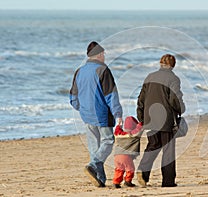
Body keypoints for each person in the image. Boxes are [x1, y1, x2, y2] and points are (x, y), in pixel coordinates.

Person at [69, 41, 123, 187]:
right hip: (101, 114)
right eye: (103, 54)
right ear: (98, 55)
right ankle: (93, 165)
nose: (104, 57)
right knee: (108, 141)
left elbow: (73, 96)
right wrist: (118, 114)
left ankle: (100, 179)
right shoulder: (103, 70)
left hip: (86, 114)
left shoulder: (79, 71)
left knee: (94, 146)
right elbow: (111, 95)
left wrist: (81, 108)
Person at [136, 54, 185, 187]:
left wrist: (141, 117)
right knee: (168, 150)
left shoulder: (150, 76)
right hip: (166, 120)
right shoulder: (173, 78)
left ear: (160, 63)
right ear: (173, 65)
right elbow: (174, 99)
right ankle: (168, 181)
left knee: (152, 146)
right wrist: (182, 109)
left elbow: (141, 98)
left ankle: (143, 172)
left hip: (150, 119)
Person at [112, 116, 143, 188]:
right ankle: (128, 181)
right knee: (130, 169)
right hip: (125, 155)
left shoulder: (118, 134)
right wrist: (141, 123)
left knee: (119, 169)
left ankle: (116, 182)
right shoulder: (132, 134)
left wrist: (119, 125)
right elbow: (138, 130)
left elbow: (117, 130)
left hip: (116, 155)